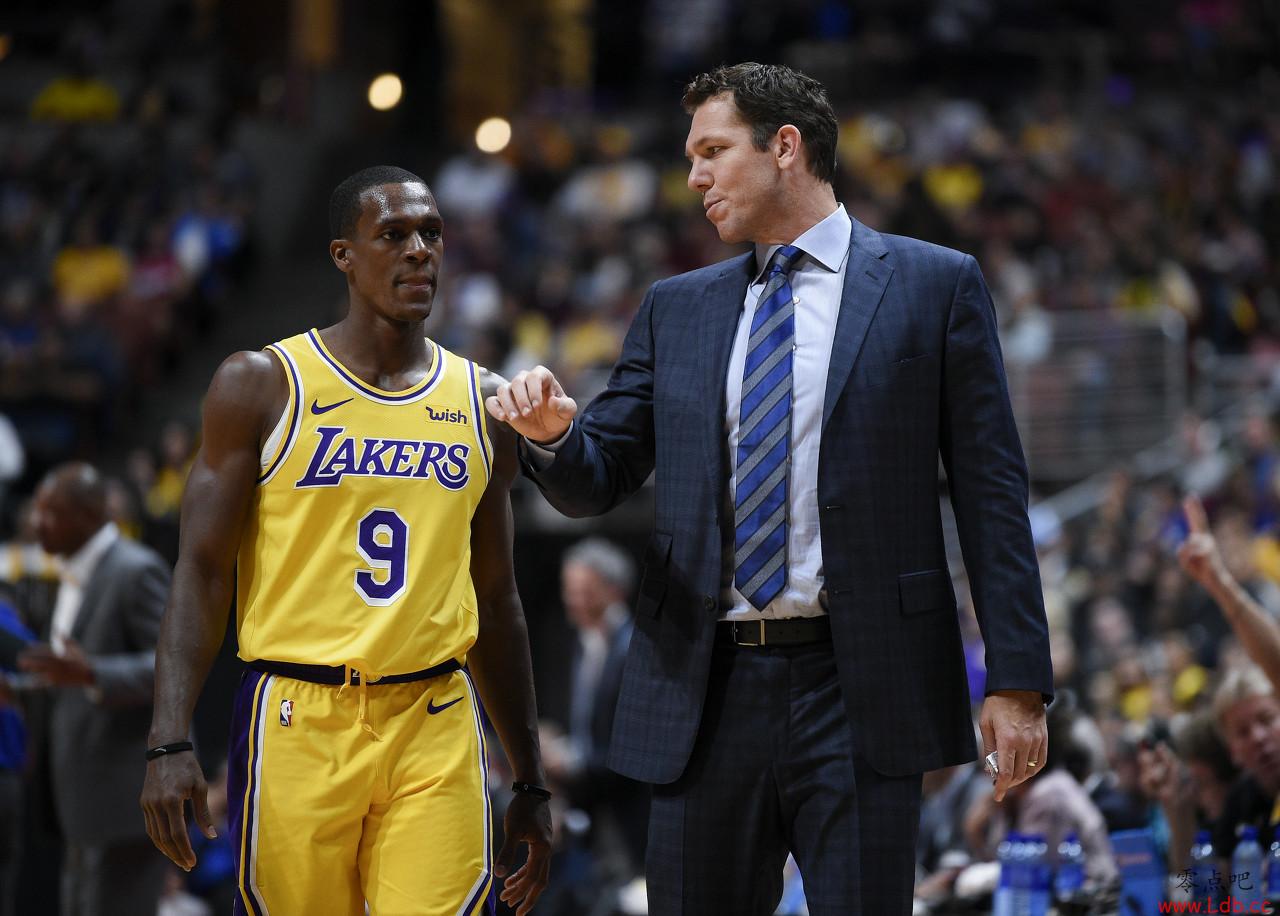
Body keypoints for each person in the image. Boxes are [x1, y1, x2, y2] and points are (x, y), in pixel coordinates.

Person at [488, 63, 1052, 914]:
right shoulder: (675, 308)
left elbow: (992, 492)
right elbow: (597, 478)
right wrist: (553, 438)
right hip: (703, 687)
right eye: (692, 157)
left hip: (862, 683)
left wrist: (1017, 680)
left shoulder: (934, 284)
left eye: (712, 151)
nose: (694, 178)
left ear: (785, 146)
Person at [140, 165, 552, 916]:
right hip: (296, 714)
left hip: (432, 714)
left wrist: (528, 777)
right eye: (393, 235)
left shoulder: (485, 401)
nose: (420, 250)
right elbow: (200, 571)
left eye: (431, 233)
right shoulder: (260, 383)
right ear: (343, 256)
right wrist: (169, 739)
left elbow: (497, 597)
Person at [19, 463, 171, 915]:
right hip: (78, 800)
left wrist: (94, 674)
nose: (36, 523)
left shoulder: (136, 569)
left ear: (87, 516)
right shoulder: (69, 572)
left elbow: (172, 669)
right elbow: (65, 676)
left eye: (50, 513)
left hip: (126, 804)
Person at [546, 537, 647, 878]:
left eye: (584, 591)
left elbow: (635, 746)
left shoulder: (636, 648)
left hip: (629, 811)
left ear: (614, 591)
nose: (572, 600)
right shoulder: (581, 641)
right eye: (569, 590)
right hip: (593, 808)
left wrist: (572, 760)